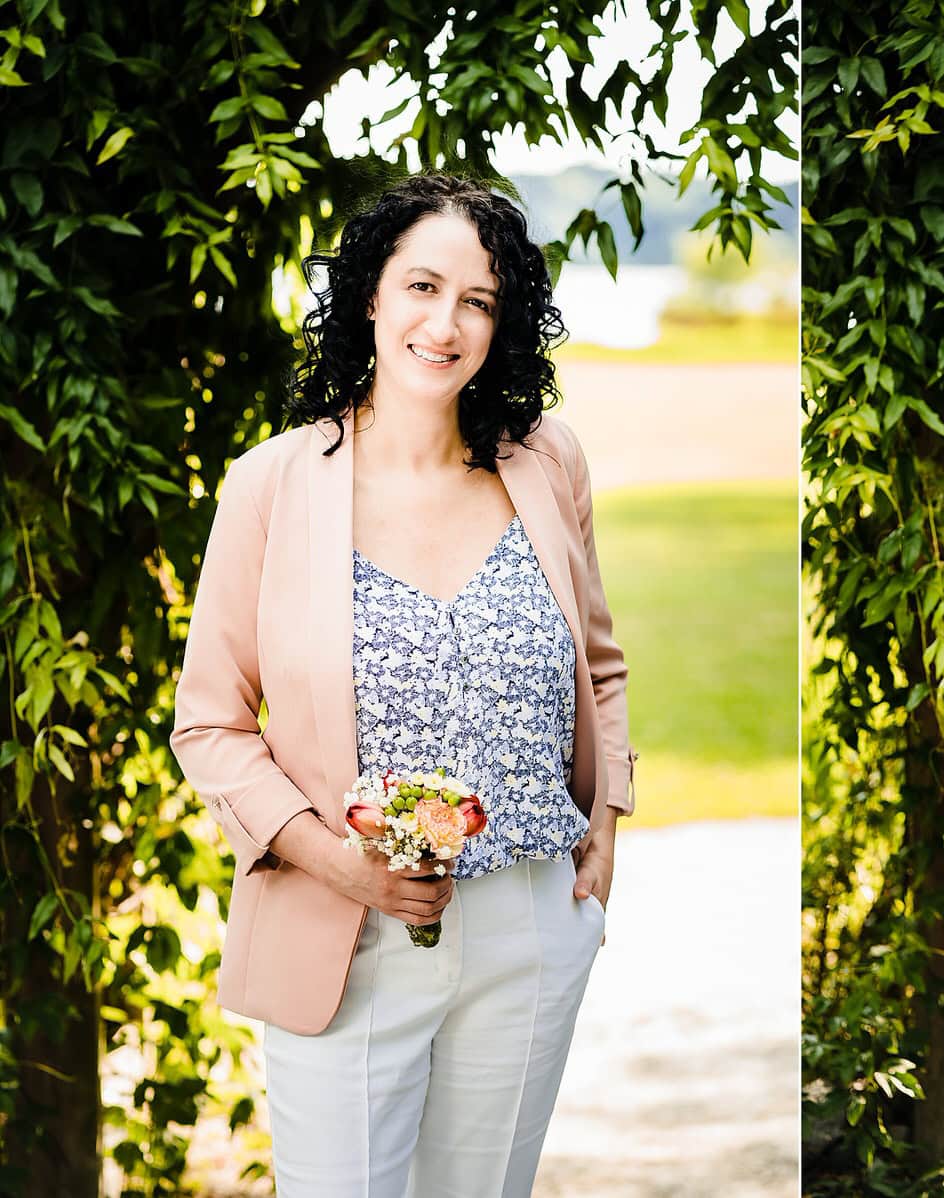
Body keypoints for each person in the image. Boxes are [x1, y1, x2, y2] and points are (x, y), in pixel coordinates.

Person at [169, 172, 638, 1195]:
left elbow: (598, 662)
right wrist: (336, 863)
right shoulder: (271, 483)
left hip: (529, 921)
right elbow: (210, 723)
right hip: (346, 930)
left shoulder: (546, 462)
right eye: (423, 286)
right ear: (370, 295)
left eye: (478, 300)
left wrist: (608, 819)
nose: (447, 322)